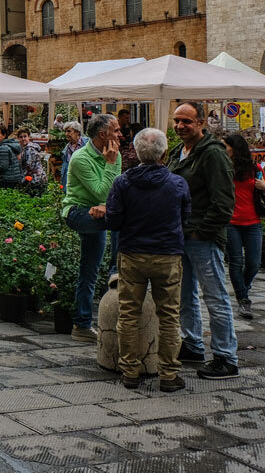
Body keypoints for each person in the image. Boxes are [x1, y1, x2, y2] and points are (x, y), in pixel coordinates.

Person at [106, 128, 191, 392]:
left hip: (132, 254)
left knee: (129, 314)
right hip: (167, 255)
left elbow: (113, 221)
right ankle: (168, 374)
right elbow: (186, 220)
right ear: (164, 153)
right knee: (169, 317)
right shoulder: (177, 183)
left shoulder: (122, 182)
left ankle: (130, 371)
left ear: (136, 152)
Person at [168, 101, 240, 380]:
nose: (180, 126)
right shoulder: (179, 151)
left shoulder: (213, 154)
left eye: (186, 121)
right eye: (177, 121)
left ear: (201, 122)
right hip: (182, 235)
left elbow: (224, 202)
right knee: (184, 295)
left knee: (215, 297)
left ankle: (225, 357)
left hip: (202, 238)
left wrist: (203, 231)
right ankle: (193, 344)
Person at [60, 113, 122, 342]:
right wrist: (111, 164)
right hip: (77, 213)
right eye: (116, 130)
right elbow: (103, 191)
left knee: (89, 271)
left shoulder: (113, 154)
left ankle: (82, 325)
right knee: (120, 221)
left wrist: (106, 206)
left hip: (100, 215)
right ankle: (117, 270)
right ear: (102, 134)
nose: (120, 134)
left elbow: (117, 192)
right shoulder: (80, 158)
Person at [223, 132, 265, 320]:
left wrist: (264, 187)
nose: (222, 149)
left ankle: (243, 287)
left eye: (225, 146)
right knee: (236, 262)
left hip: (253, 222)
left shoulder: (255, 168)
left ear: (235, 148)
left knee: (254, 263)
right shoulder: (223, 167)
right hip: (231, 222)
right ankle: (243, 299)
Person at [59, 120, 87, 187]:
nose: (66, 134)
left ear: (77, 132)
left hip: (84, 177)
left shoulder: (87, 144)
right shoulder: (66, 149)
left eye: (69, 131)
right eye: (65, 131)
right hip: (71, 180)